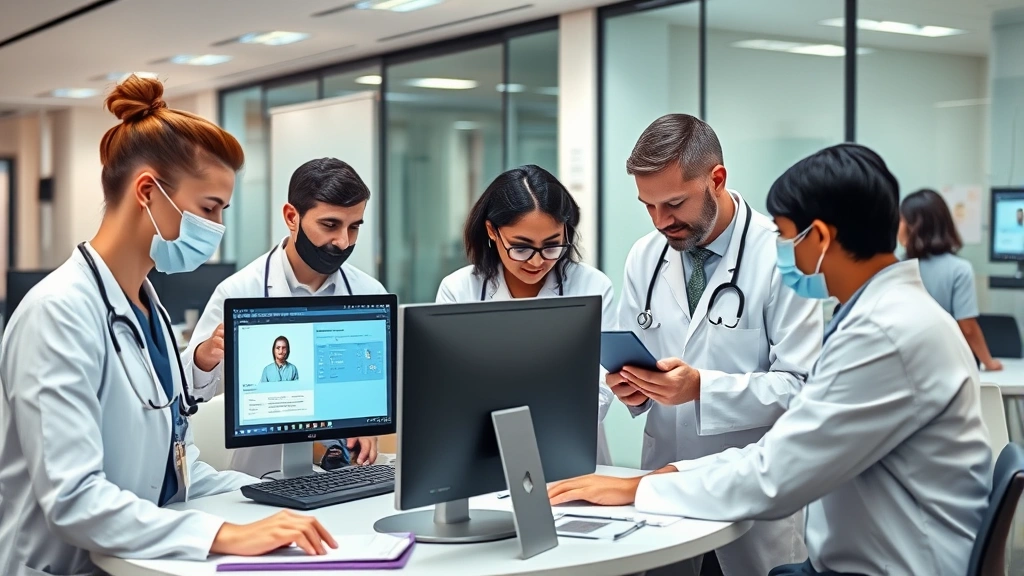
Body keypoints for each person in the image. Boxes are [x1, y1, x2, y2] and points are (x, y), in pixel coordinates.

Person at [549, 144, 992, 576]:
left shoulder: (885, 335)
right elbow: (786, 452)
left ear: (819, 238)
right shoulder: (890, 317)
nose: (778, 247)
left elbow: (775, 473)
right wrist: (663, 472)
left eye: (783, 234)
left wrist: (641, 486)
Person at [0, 76, 337, 576]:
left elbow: (176, 468)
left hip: (137, 560)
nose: (216, 229)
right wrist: (224, 534)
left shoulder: (147, 310)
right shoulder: (58, 313)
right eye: (208, 208)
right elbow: (74, 498)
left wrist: (280, 499)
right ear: (147, 192)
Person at [603, 114, 823, 576]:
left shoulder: (782, 255)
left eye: (674, 203)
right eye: (648, 206)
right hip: (664, 494)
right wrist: (634, 389)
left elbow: (802, 388)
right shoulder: (645, 256)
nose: (661, 221)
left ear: (717, 179)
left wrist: (702, 387)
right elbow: (634, 355)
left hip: (751, 504)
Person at [183, 157, 385, 476]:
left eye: (354, 227)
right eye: (330, 225)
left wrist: (366, 427)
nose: (343, 241)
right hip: (260, 479)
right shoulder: (240, 291)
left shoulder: (369, 293)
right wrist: (204, 357)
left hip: (344, 477)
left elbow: (372, 393)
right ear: (292, 217)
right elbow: (189, 394)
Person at [436, 165, 616, 463]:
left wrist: (549, 426)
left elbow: (600, 385)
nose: (536, 262)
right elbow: (449, 388)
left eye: (551, 246)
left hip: (569, 448)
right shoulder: (459, 289)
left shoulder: (592, 286)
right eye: (521, 248)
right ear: (492, 231)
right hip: (484, 450)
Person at [899, 188, 1002, 371]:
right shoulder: (959, 269)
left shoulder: (897, 267)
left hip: (904, 363)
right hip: (946, 365)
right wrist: (989, 362)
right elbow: (967, 327)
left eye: (901, 220)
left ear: (914, 227)